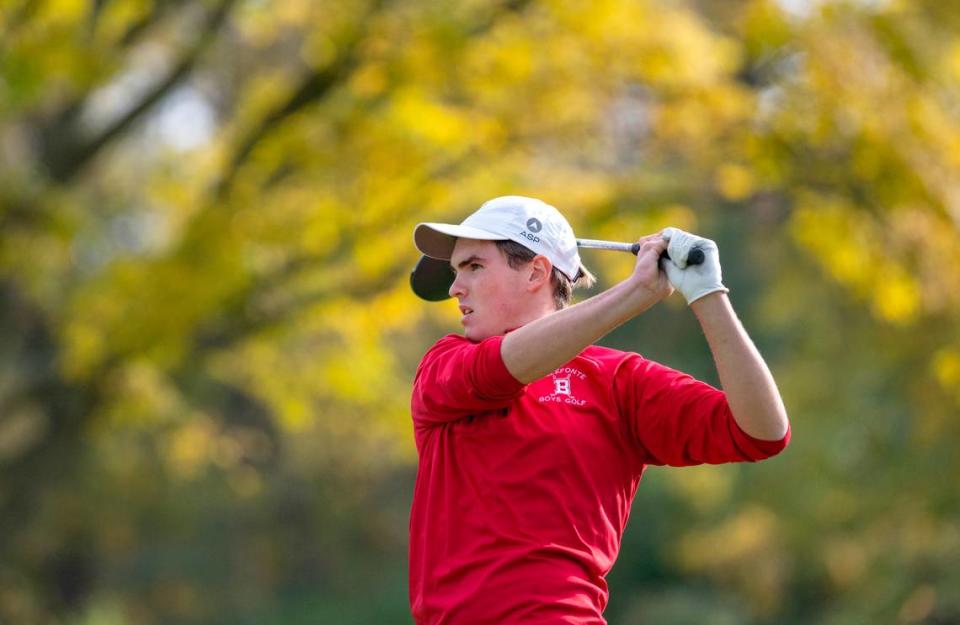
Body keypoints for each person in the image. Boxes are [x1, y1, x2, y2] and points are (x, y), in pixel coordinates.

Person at [407, 195, 790, 625]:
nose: (455, 288)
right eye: (457, 272)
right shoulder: (445, 364)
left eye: (474, 266)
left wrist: (707, 293)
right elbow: (505, 366)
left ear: (536, 271)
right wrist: (636, 292)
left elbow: (762, 430)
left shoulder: (618, 381)